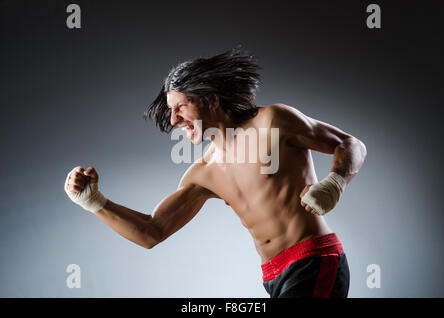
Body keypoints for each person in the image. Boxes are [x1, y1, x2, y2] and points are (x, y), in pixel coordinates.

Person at [64, 47, 367, 298]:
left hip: (313, 260)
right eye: (171, 110)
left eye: (181, 106)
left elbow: (350, 145)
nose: (174, 119)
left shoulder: (272, 121)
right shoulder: (203, 173)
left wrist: (336, 182)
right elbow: (152, 232)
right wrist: (95, 203)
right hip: (273, 277)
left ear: (211, 99)